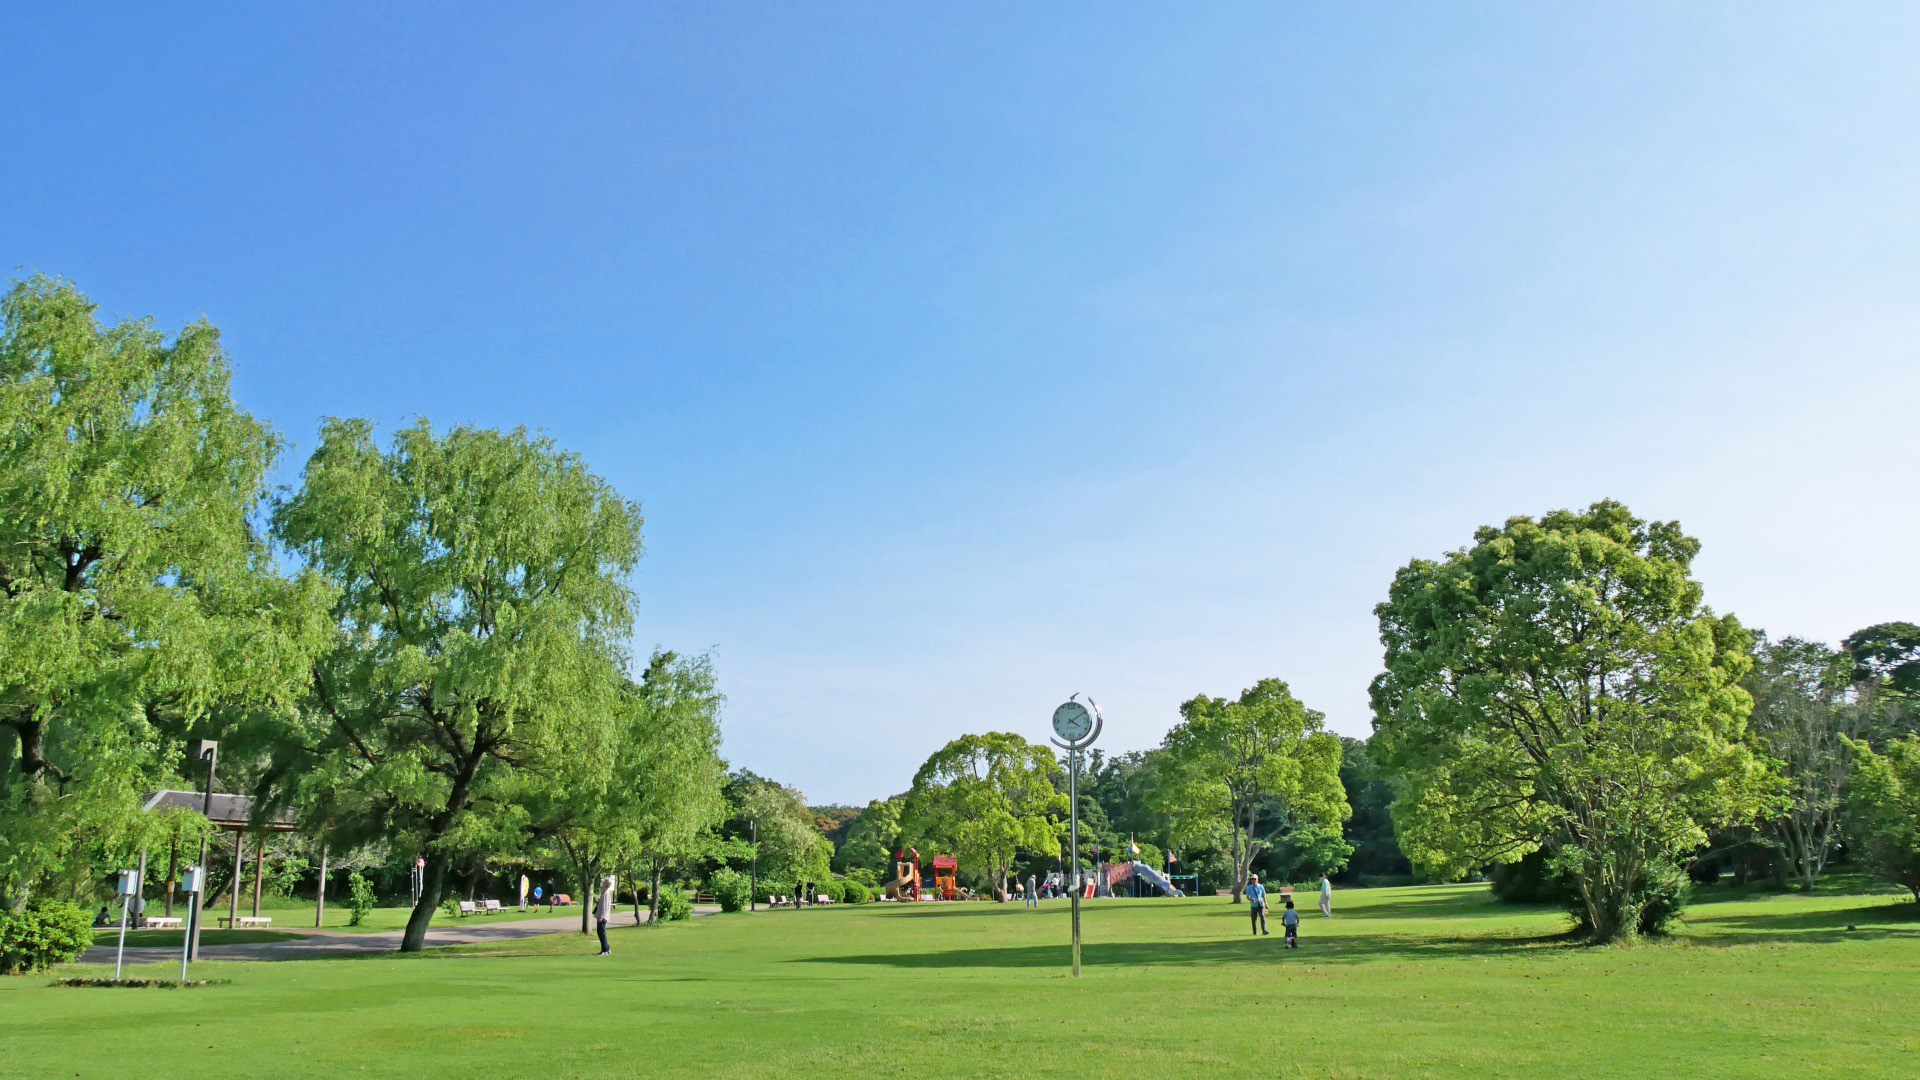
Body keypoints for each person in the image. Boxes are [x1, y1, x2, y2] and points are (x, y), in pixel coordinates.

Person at [595, 874, 615, 956]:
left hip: (603, 917)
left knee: (601, 932)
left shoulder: (606, 893)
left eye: (603, 883)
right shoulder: (604, 893)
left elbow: (605, 906)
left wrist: (601, 916)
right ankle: (606, 948)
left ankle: (605, 950)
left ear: (605, 885)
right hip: (601, 916)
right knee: (601, 932)